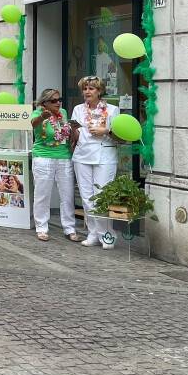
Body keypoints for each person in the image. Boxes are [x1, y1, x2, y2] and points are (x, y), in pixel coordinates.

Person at [71, 76, 120, 250]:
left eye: (91, 88)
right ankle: (93, 233)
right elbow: (75, 134)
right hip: (82, 155)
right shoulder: (77, 109)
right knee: (86, 197)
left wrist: (105, 130)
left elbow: (121, 137)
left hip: (104, 156)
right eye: (85, 88)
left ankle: (107, 234)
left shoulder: (113, 110)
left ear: (99, 91)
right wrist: (69, 130)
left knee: (101, 196)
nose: (87, 92)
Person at [30, 88, 80, 243]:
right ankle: (41, 227)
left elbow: (66, 133)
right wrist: (42, 117)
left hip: (64, 157)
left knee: (67, 194)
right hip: (43, 157)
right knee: (42, 194)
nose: (58, 103)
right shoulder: (38, 113)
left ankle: (69, 228)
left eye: (59, 100)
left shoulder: (63, 113)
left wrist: (74, 130)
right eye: (54, 101)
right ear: (44, 103)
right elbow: (33, 123)